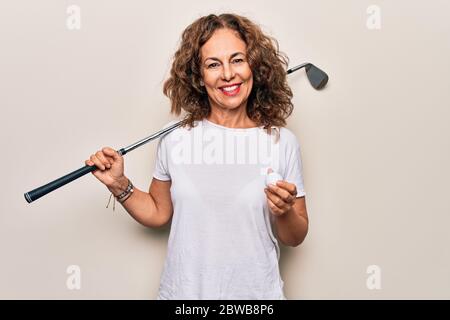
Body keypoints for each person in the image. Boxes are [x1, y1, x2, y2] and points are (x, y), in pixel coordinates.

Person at [85, 13, 308, 300]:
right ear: (199, 77)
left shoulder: (282, 142)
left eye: (237, 59)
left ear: (255, 66)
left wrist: (285, 210)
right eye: (213, 64)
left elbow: (295, 236)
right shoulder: (174, 137)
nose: (228, 74)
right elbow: (158, 212)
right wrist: (118, 184)